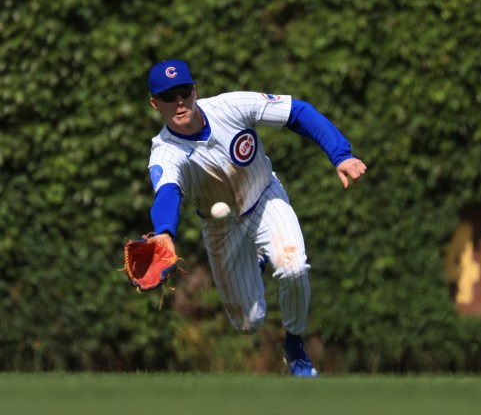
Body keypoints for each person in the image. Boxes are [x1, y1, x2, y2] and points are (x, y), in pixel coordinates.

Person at [145, 59, 367, 377]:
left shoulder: (230, 107)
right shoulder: (165, 151)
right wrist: (164, 231)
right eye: (169, 96)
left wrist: (340, 154)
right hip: (220, 227)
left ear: (195, 91)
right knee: (249, 324)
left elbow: (297, 112)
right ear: (156, 104)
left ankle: (294, 346)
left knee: (293, 267)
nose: (179, 102)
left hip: (265, 198)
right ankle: (259, 260)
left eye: (183, 91)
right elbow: (167, 192)